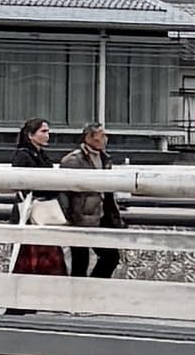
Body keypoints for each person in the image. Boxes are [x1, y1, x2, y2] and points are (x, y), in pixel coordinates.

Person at [64, 115, 126, 278]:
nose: (105, 138)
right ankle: (79, 296)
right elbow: (65, 191)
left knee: (111, 257)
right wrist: (70, 215)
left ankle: (91, 289)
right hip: (80, 216)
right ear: (89, 137)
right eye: (101, 135)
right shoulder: (73, 160)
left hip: (102, 214)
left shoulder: (105, 158)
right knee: (80, 261)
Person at [9, 112, 69, 276]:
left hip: (42, 210)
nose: (47, 135)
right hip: (31, 213)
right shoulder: (23, 156)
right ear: (30, 135)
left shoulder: (41, 154)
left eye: (47, 131)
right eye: (43, 131)